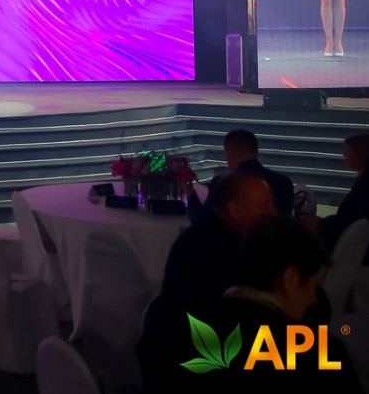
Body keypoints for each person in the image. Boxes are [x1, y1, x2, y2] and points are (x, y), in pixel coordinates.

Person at [148, 218, 359, 393]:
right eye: (314, 286)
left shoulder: (174, 328)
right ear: (291, 279)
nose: (314, 299)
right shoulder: (318, 354)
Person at [139, 173, 275, 391]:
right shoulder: (233, 255)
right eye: (265, 206)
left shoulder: (199, 236)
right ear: (235, 210)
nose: (273, 212)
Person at [186, 128, 295, 221]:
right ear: (255, 151)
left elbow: (200, 222)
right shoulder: (284, 183)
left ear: (230, 153)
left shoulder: (224, 184)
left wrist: (190, 192)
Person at [318, 133, 369, 252]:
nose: (344, 155)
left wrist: (321, 224)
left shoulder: (364, 186)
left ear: (361, 154)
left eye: (348, 151)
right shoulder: (363, 181)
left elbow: (352, 221)